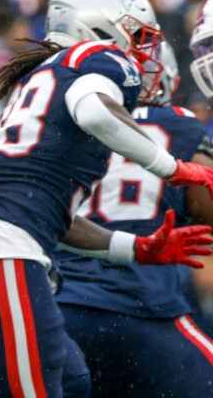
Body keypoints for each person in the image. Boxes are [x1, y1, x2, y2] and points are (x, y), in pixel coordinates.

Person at [0, 0, 213, 397]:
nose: (146, 52)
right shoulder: (97, 58)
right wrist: (173, 167)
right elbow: (95, 113)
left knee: (70, 380)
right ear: (100, 27)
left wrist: (135, 248)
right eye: (141, 36)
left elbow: (54, 214)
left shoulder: (42, 81)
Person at [54, 42, 213, 397]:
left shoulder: (59, 118)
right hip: (145, 312)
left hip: (63, 310)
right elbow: (207, 205)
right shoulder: (180, 126)